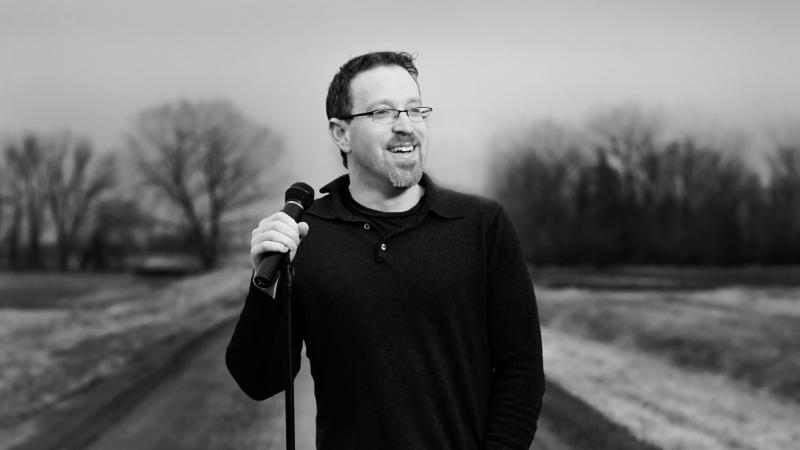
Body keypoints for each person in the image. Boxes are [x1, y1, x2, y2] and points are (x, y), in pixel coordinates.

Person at [226, 51, 545, 449]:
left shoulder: (481, 225)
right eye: (383, 113)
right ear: (340, 133)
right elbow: (258, 380)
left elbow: (521, 367)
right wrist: (265, 288)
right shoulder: (307, 234)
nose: (405, 126)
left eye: (415, 110)